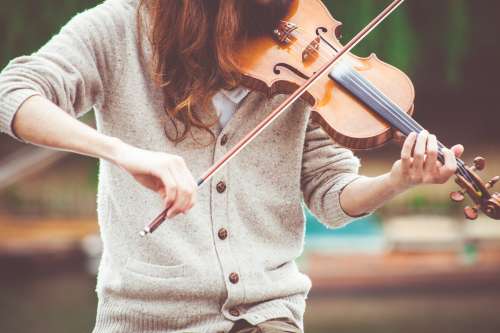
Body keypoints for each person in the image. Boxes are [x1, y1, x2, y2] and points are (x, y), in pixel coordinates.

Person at [0, 0, 464, 332]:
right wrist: (121, 152)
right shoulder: (117, 29)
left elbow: (331, 193)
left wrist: (397, 179)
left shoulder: (306, 58)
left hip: (269, 315)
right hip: (147, 319)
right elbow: (14, 93)